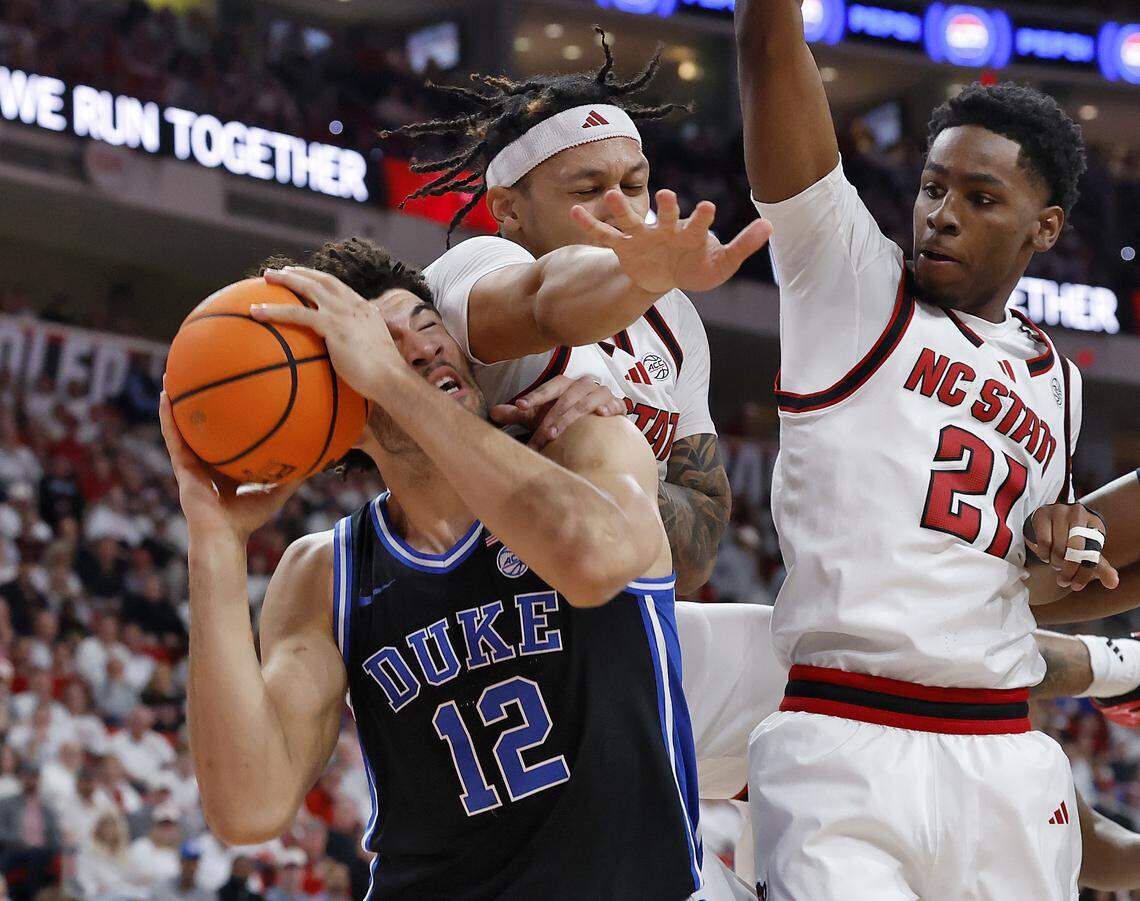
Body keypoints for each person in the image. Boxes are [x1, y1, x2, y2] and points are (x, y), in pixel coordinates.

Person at [163, 253, 704, 899]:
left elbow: (595, 562)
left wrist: (393, 385)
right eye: (382, 344)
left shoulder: (584, 447)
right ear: (337, 400)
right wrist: (216, 545)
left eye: (428, 325)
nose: (420, 350)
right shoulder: (325, 571)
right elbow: (249, 805)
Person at [736, 2, 1119, 897]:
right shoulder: (851, 284)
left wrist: (1063, 528)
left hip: (1003, 752)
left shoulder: (1057, 377)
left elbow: (1032, 552)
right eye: (933, 186)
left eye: (981, 199)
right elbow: (765, 50)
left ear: (1046, 228)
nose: (941, 215)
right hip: (844, 735)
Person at [385, 35, 772, 595]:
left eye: (634, 185)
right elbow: (547, 301)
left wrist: (613, 469)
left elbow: (696, 558)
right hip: (476, 612)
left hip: (613, 623)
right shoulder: (473, 267)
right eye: (589, 188)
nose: (621, 206)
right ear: (508, 208)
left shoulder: (674, 318)